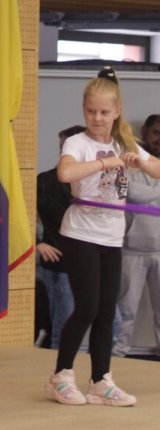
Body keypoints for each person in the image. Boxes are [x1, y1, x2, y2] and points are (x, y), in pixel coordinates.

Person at [46, 68, 160, 407]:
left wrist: (139, 164)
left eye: (104, 112)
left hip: (112, 237)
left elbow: (157, 167)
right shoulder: (76, 143)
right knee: (87, 307)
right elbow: (65, 173)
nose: (97, 117)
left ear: (117, 111)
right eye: (91, 111)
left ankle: (100, 380)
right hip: (80, 234)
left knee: (107, 312)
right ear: (84, 110)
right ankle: (62, 375)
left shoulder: (124, 144)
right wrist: (104, 164)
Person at [112, 114, 160, 356]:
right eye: (157, 133)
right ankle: (117, 358)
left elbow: (145, 194)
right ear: (145, 131)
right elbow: (133, 194)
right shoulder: (131, 159)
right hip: (132, 249)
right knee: (126, 311)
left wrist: (151, 191)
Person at [36, 125, 85, 349]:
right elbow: (22, 218)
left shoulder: (90, 181)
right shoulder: (44, 181)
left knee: (113, 318)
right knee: (62, 324)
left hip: (89, 258)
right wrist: (38, 244)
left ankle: (101, 366)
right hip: (59, 262)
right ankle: (60, 369)